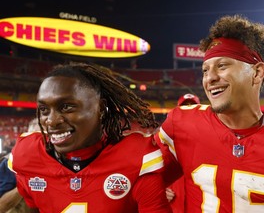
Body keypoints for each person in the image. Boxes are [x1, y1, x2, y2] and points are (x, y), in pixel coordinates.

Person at [156, 14, 264, 212]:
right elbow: (136, 179)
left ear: (257, 72)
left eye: (222, 66)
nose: (210, 78)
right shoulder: (182, 124)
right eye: (205, 70)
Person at [9, 62, 172, 212]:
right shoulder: (28, 155)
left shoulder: (135, 156)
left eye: (66, 107)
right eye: (44, 110)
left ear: (100, 108)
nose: (51, 121)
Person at [165, 93, 200, 213]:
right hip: (174, 207)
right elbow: (150, 174)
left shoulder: (211, 140)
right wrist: (158, 191)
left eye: (192, 106)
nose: (189, 109)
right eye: (185, 106)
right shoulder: (164, 140)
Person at [0, 118, 38, 213]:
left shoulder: (59, 160)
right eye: (35, 136)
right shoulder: (11, 162)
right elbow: (1, 206)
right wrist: (25, 182)